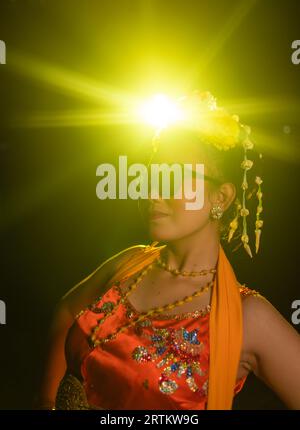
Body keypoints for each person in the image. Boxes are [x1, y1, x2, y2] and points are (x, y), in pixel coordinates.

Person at [36, 91, 300, 410]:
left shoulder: (249, 317)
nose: (152, 191)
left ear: (221, 198)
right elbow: (67, 312)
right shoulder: (130, 263)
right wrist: (48, 401)